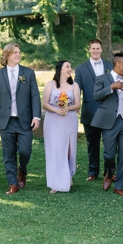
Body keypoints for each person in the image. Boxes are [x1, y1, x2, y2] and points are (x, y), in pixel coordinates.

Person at [0, 42, 41, 195]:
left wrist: (36, 116)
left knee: (25, 151)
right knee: (8, 154)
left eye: (19, 52)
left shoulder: (28, 73)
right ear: (7, 55)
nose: (18, 55)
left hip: (25, 120)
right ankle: (13, 183)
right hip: (6, 121)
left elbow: (35, 96)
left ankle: (22, 171)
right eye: (15, 52)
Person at [91, 52, 123, 197]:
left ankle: (119, 186)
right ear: (118, 64)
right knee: (109, 155)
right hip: (109, 122)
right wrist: (112, 86)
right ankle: (109, 172)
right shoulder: (102, 79)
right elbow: (96, 96)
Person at [75, 39, 113, 182]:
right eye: (93, 48)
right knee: (92, 142)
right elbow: (76, 88)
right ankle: (93, 171)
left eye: (98, 48)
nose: (96, 51)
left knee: (110, 142)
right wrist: (76, 104)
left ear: (101, 50)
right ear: (89, 50)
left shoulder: (110, 66)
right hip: (90, 110)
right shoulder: (81, 69)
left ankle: (109, 172)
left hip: (109, 110)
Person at [42, 60, 81, 193]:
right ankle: (56, 182)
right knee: (56, 149)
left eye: (70, 67)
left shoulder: (74, 85)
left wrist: (68, 107)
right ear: (60, 70)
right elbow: (45, 103)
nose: (70, 69)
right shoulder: (50, 85)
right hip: (53, 121)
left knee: (69, 150)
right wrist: (56, 110)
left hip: (69, 120)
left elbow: (77, 104)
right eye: (67, 67)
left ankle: (68, 176)